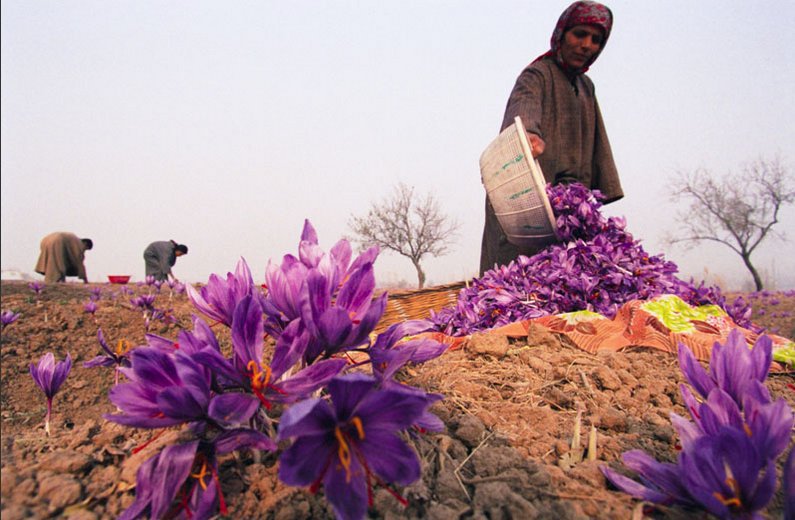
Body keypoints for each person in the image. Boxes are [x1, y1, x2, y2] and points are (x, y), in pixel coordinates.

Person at [480, 1, 624, 275]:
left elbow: (597, 146)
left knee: (566, 283)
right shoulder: (537, 75)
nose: (586, 45)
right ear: (562, 34)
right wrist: (528, 137)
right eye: (579, 34)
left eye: (596, 40)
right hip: (525, 206)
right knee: (512, 282)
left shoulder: (585, 87)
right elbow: (523, 108)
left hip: (568, 208)